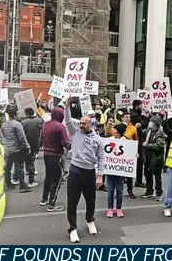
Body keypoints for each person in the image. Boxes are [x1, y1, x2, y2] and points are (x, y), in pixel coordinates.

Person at [64, 95, 105, 243]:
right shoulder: (75, 133)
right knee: (72, 202)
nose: (81, 125)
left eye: (84, 123)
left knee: (91, 200)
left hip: (89, 173)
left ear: (91, 124)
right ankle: (73, 229)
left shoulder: (98, 140)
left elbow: (101, 158)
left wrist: (100, 175)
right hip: (75, 171)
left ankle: (90, 220)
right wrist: (67, 106)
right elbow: (68, 121)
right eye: (80, 122)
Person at [39, 107, 69, 211]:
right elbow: (66, 143)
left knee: (48, 177)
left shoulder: (45, 124)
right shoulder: (60, 127)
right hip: (56, 155)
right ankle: (52, 203)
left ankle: (44, 198)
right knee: (57, 178)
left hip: (46, 154)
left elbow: (40, 140)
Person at [1, 106, 32, 193]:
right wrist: (26, 146)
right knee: (19, 166)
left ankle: (8, 184)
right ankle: (22, 185)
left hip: (7, 148)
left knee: (8, 167)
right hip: (17, 148)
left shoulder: (4, 125)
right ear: (15, 115)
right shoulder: (17, 124)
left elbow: (3, 136)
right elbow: (22, 137)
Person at [106, 123, 128, 218]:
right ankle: (110, 208)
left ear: (118, 132)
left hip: (120, 170)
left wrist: (135, 156)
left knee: (119, 190)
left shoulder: (125, 141)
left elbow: (129, 153)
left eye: (114, 129)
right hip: (110, 170)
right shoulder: (109, 140)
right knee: (110, 190)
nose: (113, 130)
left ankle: (119, 208)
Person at [142, 115, 166, 201]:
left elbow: (158, 146)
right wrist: (138, 128)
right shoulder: (149, 130)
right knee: (147, 174)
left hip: (156, 158)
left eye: (151, 122)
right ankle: (149, 191)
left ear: (155, 123)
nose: (150, 123)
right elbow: (142, 133)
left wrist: (146, 145)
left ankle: (159, 192)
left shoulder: (161, 134)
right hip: (148, 156)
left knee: (157, 176)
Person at [21, 107, 44, 188]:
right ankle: (31, 180)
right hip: (35, 143)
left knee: (27, 160)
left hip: (26, 143)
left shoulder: (23, 122)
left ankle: (28, 172)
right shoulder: (39, 120)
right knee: (31, 161)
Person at [130, 99, 149, 188]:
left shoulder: (135, 114)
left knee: (138, 161)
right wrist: (145, 116)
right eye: (141, 105)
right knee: (139, 161)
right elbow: (144, 124)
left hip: (136, 139)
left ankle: (137, 180)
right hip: (136, 140)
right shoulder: (135, 115)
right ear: (136, 106)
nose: (142, 107)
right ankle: (138, 181)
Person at [121, 111, 138, 199]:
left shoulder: (133, 128)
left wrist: (136, 151)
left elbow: (136, 140)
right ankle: (119, 191)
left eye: (129, 117)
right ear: (122, 118)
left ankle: (130, 190)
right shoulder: (119, 126)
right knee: (120, 172)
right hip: (120, 152)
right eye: (126, 117)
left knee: (129, 173)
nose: (128, 118)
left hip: (129, 152)